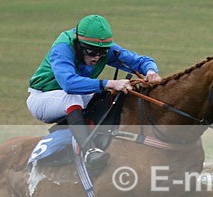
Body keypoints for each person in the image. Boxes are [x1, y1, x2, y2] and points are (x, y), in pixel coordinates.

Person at [27, 14, 162, 171]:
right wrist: (110, 83)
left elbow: (140, 61)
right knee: (73, 97)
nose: (97, 57)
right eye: (91, 52)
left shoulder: (101, 49)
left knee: (110, 96)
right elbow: (68, 84)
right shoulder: (63, 48)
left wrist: (151, 71)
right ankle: (89, 151)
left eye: (102, 52)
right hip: (41, 99)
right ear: (79, 44)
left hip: (73, 97)